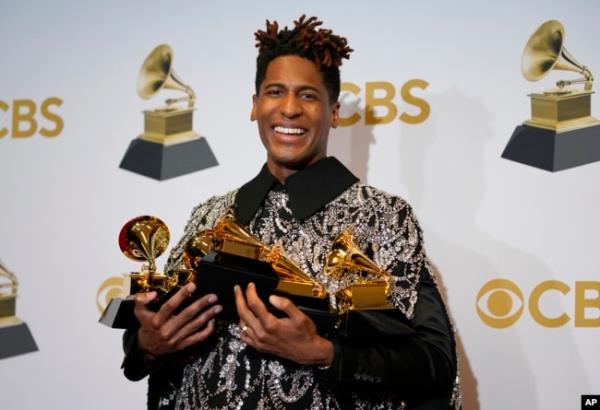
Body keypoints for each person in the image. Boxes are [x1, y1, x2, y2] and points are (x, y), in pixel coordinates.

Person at [122, 15, 461, 410]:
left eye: (307, 95)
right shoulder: (209, 216)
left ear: (333, 112)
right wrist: (148, 344)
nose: (289, 109)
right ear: (255, 105)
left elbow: (434, 362)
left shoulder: (383, 216)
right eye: (275, 92)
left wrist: (322, 353)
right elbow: (143, 344)